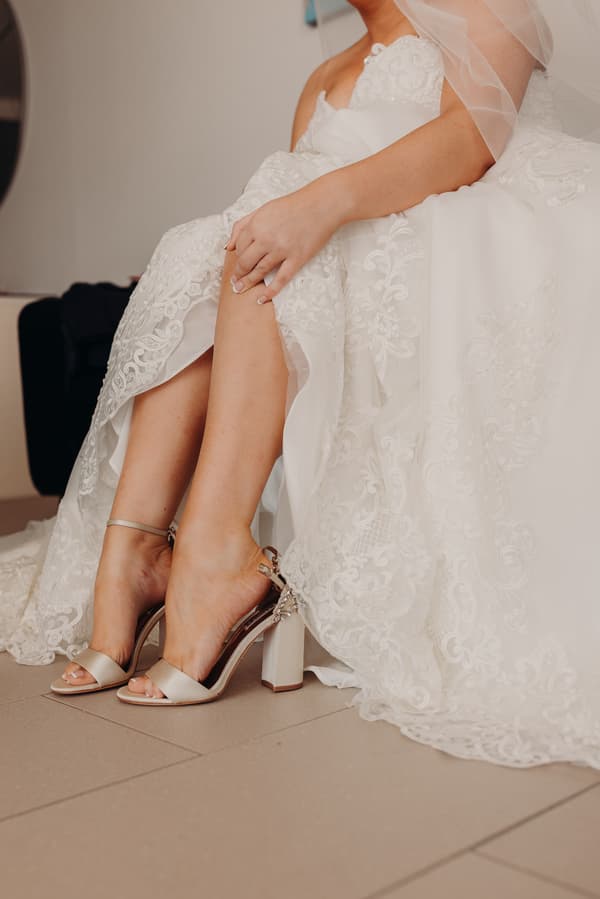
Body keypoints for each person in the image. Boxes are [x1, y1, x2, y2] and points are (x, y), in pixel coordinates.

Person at [2, 0, 600, 766]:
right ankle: (143, 558)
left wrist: (316, 206)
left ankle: (210, 560)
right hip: (348, 265)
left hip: (467, 233)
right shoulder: (325, 74)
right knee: (203, 253)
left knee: (272, 215)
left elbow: (473, 140)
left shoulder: (486, 5)